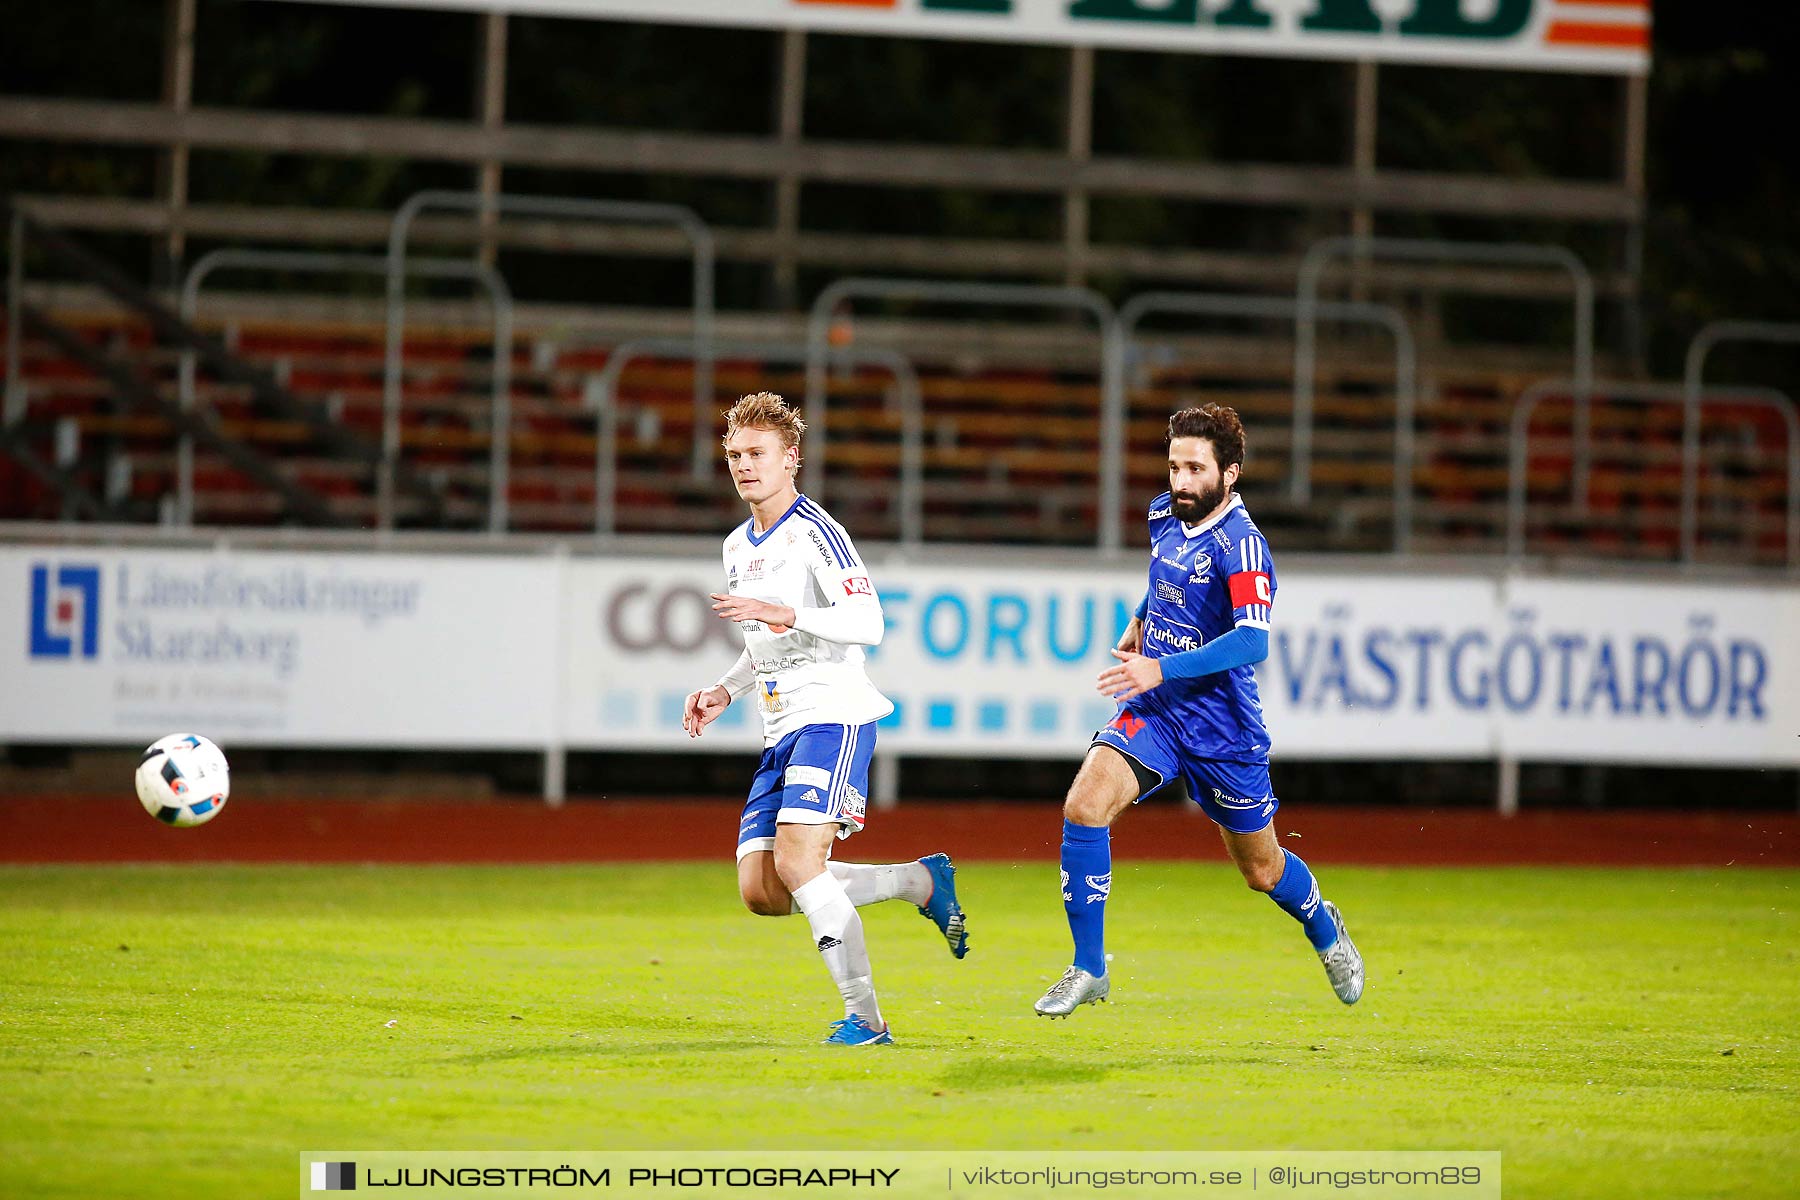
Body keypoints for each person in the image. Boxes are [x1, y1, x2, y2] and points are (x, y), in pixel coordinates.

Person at [1034, 403, 1364, 1018]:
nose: (1180, 483)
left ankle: (1324, 926)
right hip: (1158, 714)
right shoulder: (1164, 515)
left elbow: (1252, 640)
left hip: (1222, 729)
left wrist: (1160, 666)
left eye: (1194, 470)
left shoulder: (1244, 546)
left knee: (1262, 871)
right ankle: (1089, 966)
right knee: (1084, 805)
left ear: (1229, 474)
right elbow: (1165, 578)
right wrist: (1140, 619)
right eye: (1173, 467)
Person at [683, 391, 969, 1047]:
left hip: (833, 715)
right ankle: (918, 881)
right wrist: (726, 689)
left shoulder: (817, 532)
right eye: (734, 455)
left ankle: (866, 1020)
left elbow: (867, 624)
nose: (744, 466)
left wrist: (788, 611)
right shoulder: (737, 544)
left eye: (758, 454)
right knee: (763, 889)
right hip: (779, 724)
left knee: (798, 860)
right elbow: (764, 643)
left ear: (792, 460)